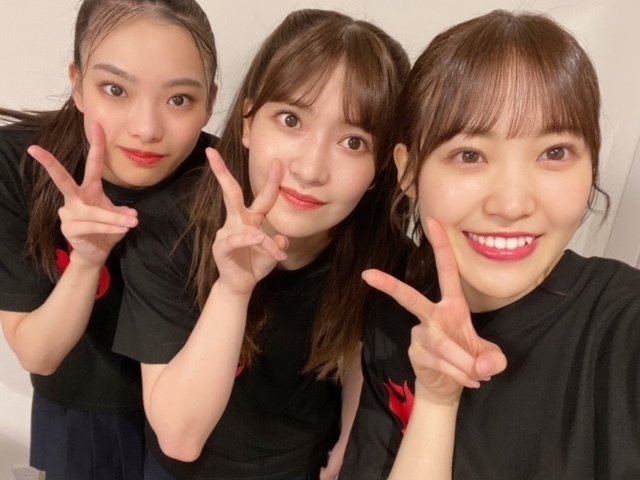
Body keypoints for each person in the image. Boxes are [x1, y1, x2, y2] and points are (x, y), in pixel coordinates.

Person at [341, 9, 640, 480]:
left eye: (555, 152)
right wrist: (436, 400)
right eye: (470, 154)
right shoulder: (395, 323)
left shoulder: (624, 326)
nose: (512, 204)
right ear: (409, 171)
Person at [112, 8, 411, 480]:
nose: (311, 169)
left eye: (353, 142)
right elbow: (179, 437)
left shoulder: (381, 254)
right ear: (248, 123)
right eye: (291, 119)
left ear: (380, 168)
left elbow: (356, 345)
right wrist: (233, 290)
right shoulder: (168, 229)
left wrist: (349, 444)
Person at [0, 1, 217, 479]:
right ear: (78, 84)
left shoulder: (226, 185)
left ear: (211, 101)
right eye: (115, 89)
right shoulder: (21, 165)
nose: (146, 129)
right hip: (81, 412)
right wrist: (86, 261)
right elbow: (38, 354)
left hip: (205, 413)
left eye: (179, 99)